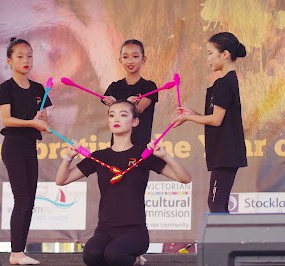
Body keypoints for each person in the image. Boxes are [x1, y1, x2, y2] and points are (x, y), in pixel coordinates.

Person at [56, 100, 191, 266]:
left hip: (135, 231)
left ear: (135, 122)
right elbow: (61, 180)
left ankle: (135, 259)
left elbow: (185, 178)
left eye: (123, 115)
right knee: (91, 255)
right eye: (112, 115)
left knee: (115, 255)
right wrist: (68, 157)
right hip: (105, 230)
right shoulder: (99, 156)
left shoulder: (143, 154)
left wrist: (165, 156)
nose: (116, 119)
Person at [172, 32, 247, 213]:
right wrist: (192, 112)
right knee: (217, 203)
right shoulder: (223, 82)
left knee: (216, 203)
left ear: (225, 54)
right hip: (224, 153)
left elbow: (216, 119)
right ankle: (223, 240)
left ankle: (222, 241)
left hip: (226, 153)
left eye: (211, 53)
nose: (208, 58)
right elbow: (218, 116)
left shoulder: (226, 82)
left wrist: (187, 117)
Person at [0, 37, 52, 265]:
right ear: (9, 61)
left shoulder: (39, 89)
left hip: (30, 146)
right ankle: (16, 253)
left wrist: (41, 121)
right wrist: (31, 122)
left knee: (30, 200)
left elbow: (45, 123)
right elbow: (6, 120)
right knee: (22, 199)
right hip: (13, 146)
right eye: (20, 56)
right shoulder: (5, 88)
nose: (25, 60)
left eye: (29, 56)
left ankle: (20, 252)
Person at [102, 40, 158, 147]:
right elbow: (111, 114)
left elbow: (140, 109)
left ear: (144, 59)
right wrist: (111, 104)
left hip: (141, 145)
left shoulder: (149, 86)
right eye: (125, 57)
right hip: (118, 146)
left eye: (135, 56)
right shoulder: (114, 87)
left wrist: (118, 103)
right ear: (120, 60)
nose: (130, 61)